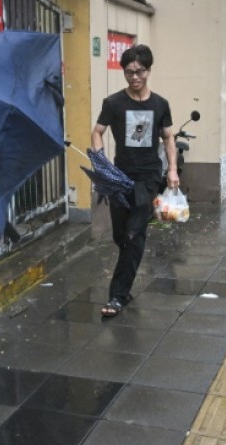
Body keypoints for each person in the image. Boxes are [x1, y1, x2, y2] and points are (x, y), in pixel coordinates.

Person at [91, 44, 178, 318]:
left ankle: (117, 297)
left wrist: (172, 169)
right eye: (129, 72)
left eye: (139, 71)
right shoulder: (113, 103)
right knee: (121, 236)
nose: (134, 77)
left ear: (149, 71)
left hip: (148, 178)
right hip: (120, 178)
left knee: (133, 233)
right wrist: (100, 158)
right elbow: (98, 132)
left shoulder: (160, 104)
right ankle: (125, 287)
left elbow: (168, 137)